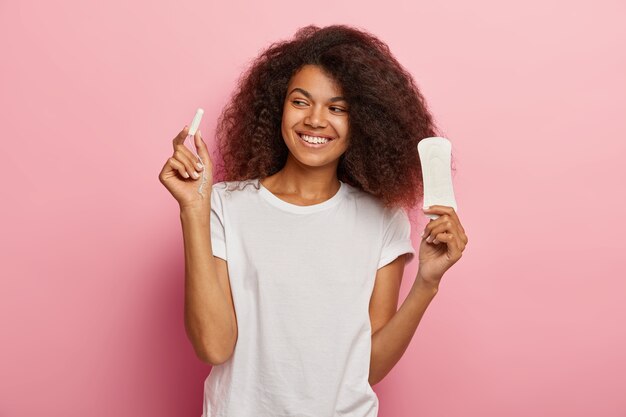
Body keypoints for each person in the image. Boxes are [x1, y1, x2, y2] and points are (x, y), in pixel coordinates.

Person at [159, 24, 468, 417]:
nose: (316, 120)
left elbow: (365, 369)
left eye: (337, 108)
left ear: (365, 122)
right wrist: (192, 208)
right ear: (277, 107)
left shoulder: (383, 218)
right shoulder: (223, 205)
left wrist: (427, 282)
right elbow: (213, 346)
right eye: (301, 102)